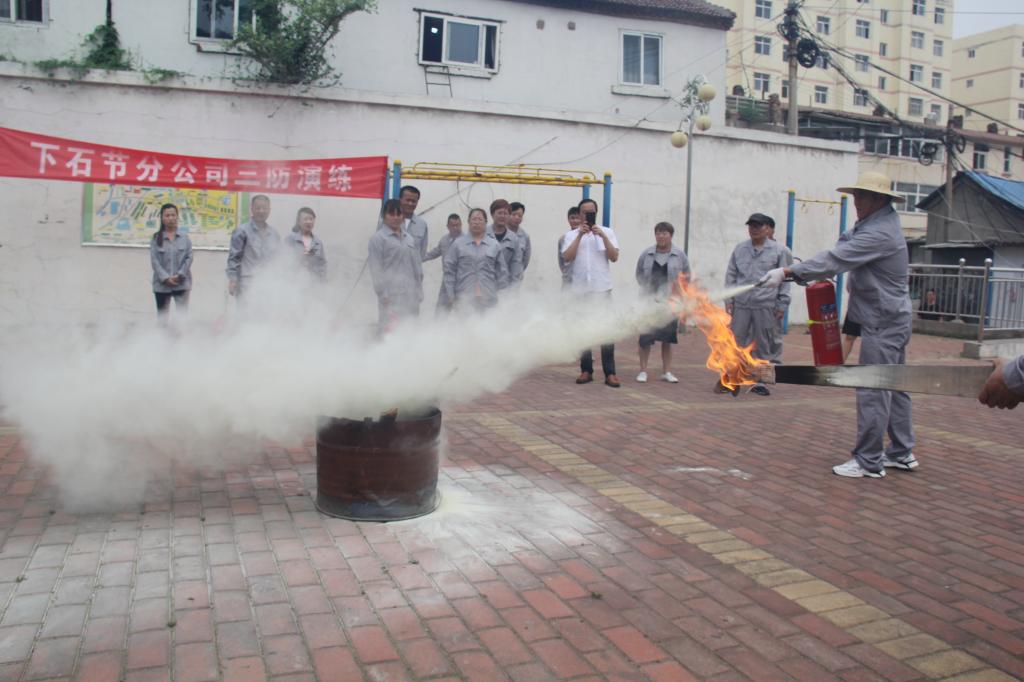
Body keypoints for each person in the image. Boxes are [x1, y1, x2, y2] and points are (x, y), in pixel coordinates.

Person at [760, 171, 917, 479]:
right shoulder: (871, 224)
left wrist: (788, 272)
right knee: (895, 385)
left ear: (879, 199)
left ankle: (869, 461)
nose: (856, 201)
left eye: (862, 196)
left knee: (873, 387)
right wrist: (810, 269)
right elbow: (841, 251)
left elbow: (836, 257)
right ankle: (901, 452)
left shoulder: (879, 232)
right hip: (888, 318)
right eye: (856, 195)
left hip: (883, 322)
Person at [722, 213, 791, 395]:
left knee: (764, 343)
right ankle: (733, 378)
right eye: (751, 226)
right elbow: (731, 275)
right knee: (736, 341)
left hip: (766, 305)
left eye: (758, 226)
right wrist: (729, 299)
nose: (754, 229)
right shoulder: (740, 249)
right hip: (742, 305)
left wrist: (782, 304)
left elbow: (785, 279)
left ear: (768, 229)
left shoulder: (779, 251)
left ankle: (761, 382)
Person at [562, 198, 621, 387]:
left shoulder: (607, 232)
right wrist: (580, 235)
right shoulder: (571, 235)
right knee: (583, 331)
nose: (588, 215)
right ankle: (586, 370)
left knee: (606, 331)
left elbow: (614, 257)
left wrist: (602, 236)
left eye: (591, 212)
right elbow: (567, 257)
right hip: (581, 291)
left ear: (596, 213)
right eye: (584, 212)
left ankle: (610, 373)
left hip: (601, 289)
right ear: (579, 214)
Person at [635, 222, 690, 384]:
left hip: (669, 303)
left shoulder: (679, 256)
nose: (661, 236)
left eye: (664, 233)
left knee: (667, 339)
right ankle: (643, 371)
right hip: (648, 303)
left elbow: (686, 277)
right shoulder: (647, 254)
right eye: (658, 233)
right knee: (645, 339)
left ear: (671, 236)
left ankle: (666, 372)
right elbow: (639, 275)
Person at [368, 199, 423, 333]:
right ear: (384, 216)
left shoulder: (409, 238)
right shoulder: (378, 239)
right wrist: (383, 294)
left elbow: (416, 266)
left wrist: (419, 290)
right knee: (390, 333)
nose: (395, 217)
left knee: (410, 331)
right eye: (391, 214)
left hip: (410, 295)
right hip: (391, 297)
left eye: (399, 214)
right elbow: (376, 269)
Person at [443, 208, 509, 313]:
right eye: (474, 219)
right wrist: (451, 295)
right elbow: (449, 271)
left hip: (489, 299)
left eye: (480, 219)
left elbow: (502, 273)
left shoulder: (494, 245)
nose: (476, 222)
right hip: (463, 298)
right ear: (468, 222)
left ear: (485, 222)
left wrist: (503, 296)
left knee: (488, 323)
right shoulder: (458, 244)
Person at [226, 194, 280, 297]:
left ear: (269, 210)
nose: (261, 211)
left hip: (268, 283)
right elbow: (234, 257)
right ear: (252, 209)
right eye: (258, 208)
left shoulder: (274, 234)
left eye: (264, 208)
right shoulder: (242, 231)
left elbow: (277, 259)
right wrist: (232, 280)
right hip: (246, 283)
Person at [150, 203, 193, 321]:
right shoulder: (156, 239)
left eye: (173, 215)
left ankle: (181, 333)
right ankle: (162, 334)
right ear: (162, 218)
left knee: (182, 318)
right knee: (162, 319)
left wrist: (180, 275)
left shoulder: (184, 238)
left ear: (177, 217)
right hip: (161, 285)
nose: (170, 218)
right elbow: (154, 261)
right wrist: (165, 278)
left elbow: (189, 257)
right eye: (167, 215)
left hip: (182, 283)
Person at [765, 221, 794, 363]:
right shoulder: (746, 250)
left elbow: (786, 279)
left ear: (772, 230)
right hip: (751, 305)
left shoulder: (782, 250)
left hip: (772, 305)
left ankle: (773, 367)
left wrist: (782, 304)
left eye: (765, 227)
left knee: (773, 339)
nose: (760, 230)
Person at [425, 213, 463, 314]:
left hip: (461, 281)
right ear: (448, 226)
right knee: (441, 311)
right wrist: (418, 258)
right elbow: (434, 253)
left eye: (458, 225)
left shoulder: (467, 240)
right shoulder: (444, 240)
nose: (455, 228)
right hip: (446, 281)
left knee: (462, 309)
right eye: (453, 226)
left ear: (461, 225)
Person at [487, 199, 523, 287]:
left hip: (505, 286)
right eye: (499, 213)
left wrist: (513, 289)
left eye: (505, 213)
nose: (502, 216)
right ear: (492, 214)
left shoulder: (514, 239)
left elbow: (516, 265)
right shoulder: (483, 235)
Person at [284, 207, 326, 281]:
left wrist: (321, 280)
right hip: (293, 282)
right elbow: (283, 262)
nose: (309, 222)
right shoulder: (290, 239)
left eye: (311, 219)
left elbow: (322, 264)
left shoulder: (318, 243)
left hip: (313, 283)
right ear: (298, 221)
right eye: (305, 219)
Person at [399, 185, 429, 261]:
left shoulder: (422, 225)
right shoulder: (387, 221)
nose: (410, 203)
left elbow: (422, 252)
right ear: (400, 199)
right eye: (407, 200)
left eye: (413, 201)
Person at [558, 207, 581, 290]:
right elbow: (561, 261)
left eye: (578, 218)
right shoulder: (563, 238)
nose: (575, 221)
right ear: (568, 220)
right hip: (568, 280)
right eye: (572, 218)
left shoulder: (587, 237)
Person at [509, 202, 532, 275]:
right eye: (514, 214)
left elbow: (525, 259)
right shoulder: (499, 232)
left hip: (515, 277)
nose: (517, 218)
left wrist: (518, 272)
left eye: (520, 216)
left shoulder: (525, 236)